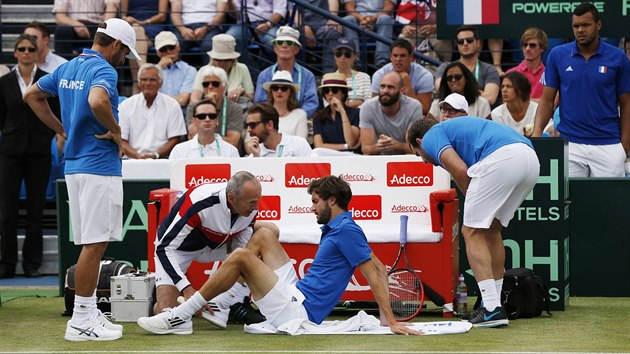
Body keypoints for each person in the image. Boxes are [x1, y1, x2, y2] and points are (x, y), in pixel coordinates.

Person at [137, 175, 421, 336]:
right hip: (296, 292)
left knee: (239, 258)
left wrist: (391, 320)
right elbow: (375, 267)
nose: (311, 208)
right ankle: (225, 304)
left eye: (315, 201)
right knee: (264, 234)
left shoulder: (347, 230)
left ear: (332, 201)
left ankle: (181, 314)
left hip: (298, 311)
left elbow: (375, 272)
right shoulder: (340, 226)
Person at [24, 18, 141, 341]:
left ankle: (88, 312)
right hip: (98, 166)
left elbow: (32, 95)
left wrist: (60, 128)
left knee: (93, 243)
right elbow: (97, 101)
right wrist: (117, 132)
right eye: (125, 52)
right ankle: (80, 320)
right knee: (94, 245)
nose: (124, 59)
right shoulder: (105, 70)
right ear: (115, 45)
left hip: (75, 166)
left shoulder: (68, 67)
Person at [407, 117, 540, 328]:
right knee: (491, 232)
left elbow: (460, 170)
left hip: (504, 158)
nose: (423, 161)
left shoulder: (432, 135)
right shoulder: (453, 131)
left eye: (418, 154)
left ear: (420, 141)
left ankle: (491, 309)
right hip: (531, 161)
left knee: (471, 231)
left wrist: (473, 201)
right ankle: (495, 304)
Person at [150, 171, 268, 329]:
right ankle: (159, 300)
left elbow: (241, 249)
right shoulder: (200, 201)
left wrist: (227, 288)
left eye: (257, 201)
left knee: (267, 233)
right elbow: (164, 248)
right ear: (232, 198)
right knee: (164, 315)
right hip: (178, 249)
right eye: (252, 202)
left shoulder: (250, 208)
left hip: (218, 245)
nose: (256, 207)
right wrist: (187, 289)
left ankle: (227, 303)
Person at [532, 2, 630, 177]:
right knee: (570, 202)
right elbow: (547, 100)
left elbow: (627, 103)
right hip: (570, 144)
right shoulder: (557, 55)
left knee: (609, 203)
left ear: (598, 25)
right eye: (576, 26)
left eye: (585, 25)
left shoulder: (618, 57)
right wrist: (537, 132)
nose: (580, 30)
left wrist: (624, 146)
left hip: (609, 144)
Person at [0, 34, 61, 279]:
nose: (26, 52)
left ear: (37, 53)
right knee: (7, 211)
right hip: (9, 153)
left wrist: (53, 135)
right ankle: (6, 264)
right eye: (21, 49)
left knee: (36, 211)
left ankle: (32, 265)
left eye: (30, 49)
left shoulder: (46, 81)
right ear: (15, 53)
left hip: (39, 152)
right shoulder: (3, 82)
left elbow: (55, 114)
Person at [119, 63, 187, 159]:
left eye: (152, 80)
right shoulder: (126, 105)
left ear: (161, 83)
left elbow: (175, 139)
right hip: (131, 159)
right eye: (144, 79)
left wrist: (155, 155)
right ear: (138, 83)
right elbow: (121, 140)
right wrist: (137, 156)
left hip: (162, 159)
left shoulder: (172, 105)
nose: (148, 83)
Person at [254, 26, 319, 118]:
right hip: (270, 121)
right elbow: (260, 103)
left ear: (296, 49)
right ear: (275, 48)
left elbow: (311, 103)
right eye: (280, 43)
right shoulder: (264, 75)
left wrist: (295, 117)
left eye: (289, 43)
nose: (284, 46)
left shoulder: (308, 76)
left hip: (299, 121)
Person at [435, 25, 500, 106]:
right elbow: (442, 90)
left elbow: (490, 98)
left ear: (478, 43)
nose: (465, 44)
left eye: (469, 40)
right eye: (461, 41)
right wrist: (478, 93)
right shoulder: (445, 67)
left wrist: (458, 90)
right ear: (457, 45)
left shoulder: (489, 69)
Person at [216, 0, 287, 74]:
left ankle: (265, 75)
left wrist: (268, 24)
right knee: (230, 40)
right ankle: (254, 75)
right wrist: (230, 3)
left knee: (271, 41)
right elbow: (235, 15)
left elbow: (280, 11)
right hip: (244, 24)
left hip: (270, 23)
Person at [359, 72, 422, 155]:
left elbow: (414, 148)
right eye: (382, 86)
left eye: (390, 87)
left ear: (401, 91)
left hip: (404, 159)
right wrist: (381, 146)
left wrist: (396, 145)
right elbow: (366, 149)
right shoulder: (367, 107)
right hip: (378, 159)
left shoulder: (414, 106)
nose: (385, 91)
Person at [371, 38, 434, 115]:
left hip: (412, 116)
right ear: (390, 57)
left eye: (403, 56)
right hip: (386, 115)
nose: (398, 59)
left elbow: (424, 111)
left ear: (411, 57)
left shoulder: (424, 76)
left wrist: (408, 88)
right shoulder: (380, 75)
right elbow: (375, 107)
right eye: (395, 55)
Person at [186, 66, 244, 148]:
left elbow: (233, 141)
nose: (210, 87)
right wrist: (208, 103)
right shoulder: (194, 107)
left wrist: (206, 138)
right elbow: (193, 135)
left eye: (215, 84)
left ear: (224, 86)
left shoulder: (234, 108)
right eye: (206, 84)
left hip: (226, 154)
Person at [190, 34, 255, 107]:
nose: (222, 63)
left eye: (227, 60)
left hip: (237, 111)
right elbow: (194, 99)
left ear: (233, 60)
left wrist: (242, 92)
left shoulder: (242, 68)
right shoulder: (203, 71)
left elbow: (251, 98)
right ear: (213, 59)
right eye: (219, 59)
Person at [121, 0, 169, 93]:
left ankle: (138, 81)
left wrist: (144, 22)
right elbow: (123, 15)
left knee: (133, 42)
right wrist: (127, 19)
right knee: (135, 34)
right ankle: (144, 69)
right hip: (133, 26)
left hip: (152, 25)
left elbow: (162, 16)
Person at [170, 99, 240, 159]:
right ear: (194, 121)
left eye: (212, 116)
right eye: (201, 116)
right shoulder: (179, 151)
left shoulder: (231, 151)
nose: (207, 119)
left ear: (217, 120)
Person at [312, 72, 361, 153]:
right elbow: (318, 146)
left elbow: (351, 141)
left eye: (334, 90)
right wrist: (346, 146)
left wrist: (342, 112)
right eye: (327, 91)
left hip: (351, 158)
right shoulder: (318, 115)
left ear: (343, 94)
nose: (330, 94)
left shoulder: (356, 113)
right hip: (327, 157)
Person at [52, 0, 119, 59]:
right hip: (72, 26)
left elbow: (111, 6)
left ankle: (103, 68)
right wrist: (76, 25)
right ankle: (64, 67)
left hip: (97, 26)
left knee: (108, 33)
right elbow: (59, 16)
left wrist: (103, 27)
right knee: (61, 30)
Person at [243, 103, 312, 157]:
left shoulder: (299, 144)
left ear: (269, 125)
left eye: (252, 125)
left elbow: (311, 173)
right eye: (247, 125)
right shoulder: (254, 155)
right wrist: (257, 158)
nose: (248, 130)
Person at [342, 0, 395, 68]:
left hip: (378, 19)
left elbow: (389, 6)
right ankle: (354, 62)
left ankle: (381, 63)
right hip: (358, 20)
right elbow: (349, 6)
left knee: (385, 19)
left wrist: (372, 19)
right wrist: (362, 19)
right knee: (348, 19)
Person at [170, 0, 223, 65]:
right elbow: (175, 13)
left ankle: (211, 73)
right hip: (184, 26)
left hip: (210, 26)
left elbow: (221, 14)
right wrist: (182, 29)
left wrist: (206, 28)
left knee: (208, 46)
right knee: (173, 46)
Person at [154, 30, 197, 109]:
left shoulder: (189, 70)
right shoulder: (153, 71)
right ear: (158, 53)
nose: (168, 52)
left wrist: (156, 101)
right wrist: (159, 67)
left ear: (178, 47)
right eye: (163, 49)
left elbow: (182, 100)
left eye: (171, 47)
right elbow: (147, 96)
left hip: (179, 113)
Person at [297, 0, 343, 73]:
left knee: (333, 30)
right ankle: (296, 73)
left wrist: (332, 18)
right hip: (302, 25)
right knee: (291, 33)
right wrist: (304, 27)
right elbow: (293, 14)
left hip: (323, 25)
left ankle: (329, 73)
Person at [262, 70, 309, 141]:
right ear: (271, 91)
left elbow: (301, 143)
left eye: (284, 88)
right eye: (275, 88)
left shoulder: (300, 114)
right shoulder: (262, 113)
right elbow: (250, 141)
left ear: (291, 92)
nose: (279, 91)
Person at [505, 28, 548, 101]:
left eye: (532, 45)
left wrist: (523, 101)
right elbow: (509, 103)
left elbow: (550, 103)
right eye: (525, 45)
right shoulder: (511, 73)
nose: (528, 48)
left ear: (542, 48)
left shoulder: (549, 74)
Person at [332, 38, 372, 109]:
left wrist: (342, 105)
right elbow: (330, 107)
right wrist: (358, 102)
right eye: (339, 53)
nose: (343, 57)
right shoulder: (328, 79)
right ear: (334, 56)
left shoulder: (364, 77)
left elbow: (369, 105)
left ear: (354, 57)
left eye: (347, 54)